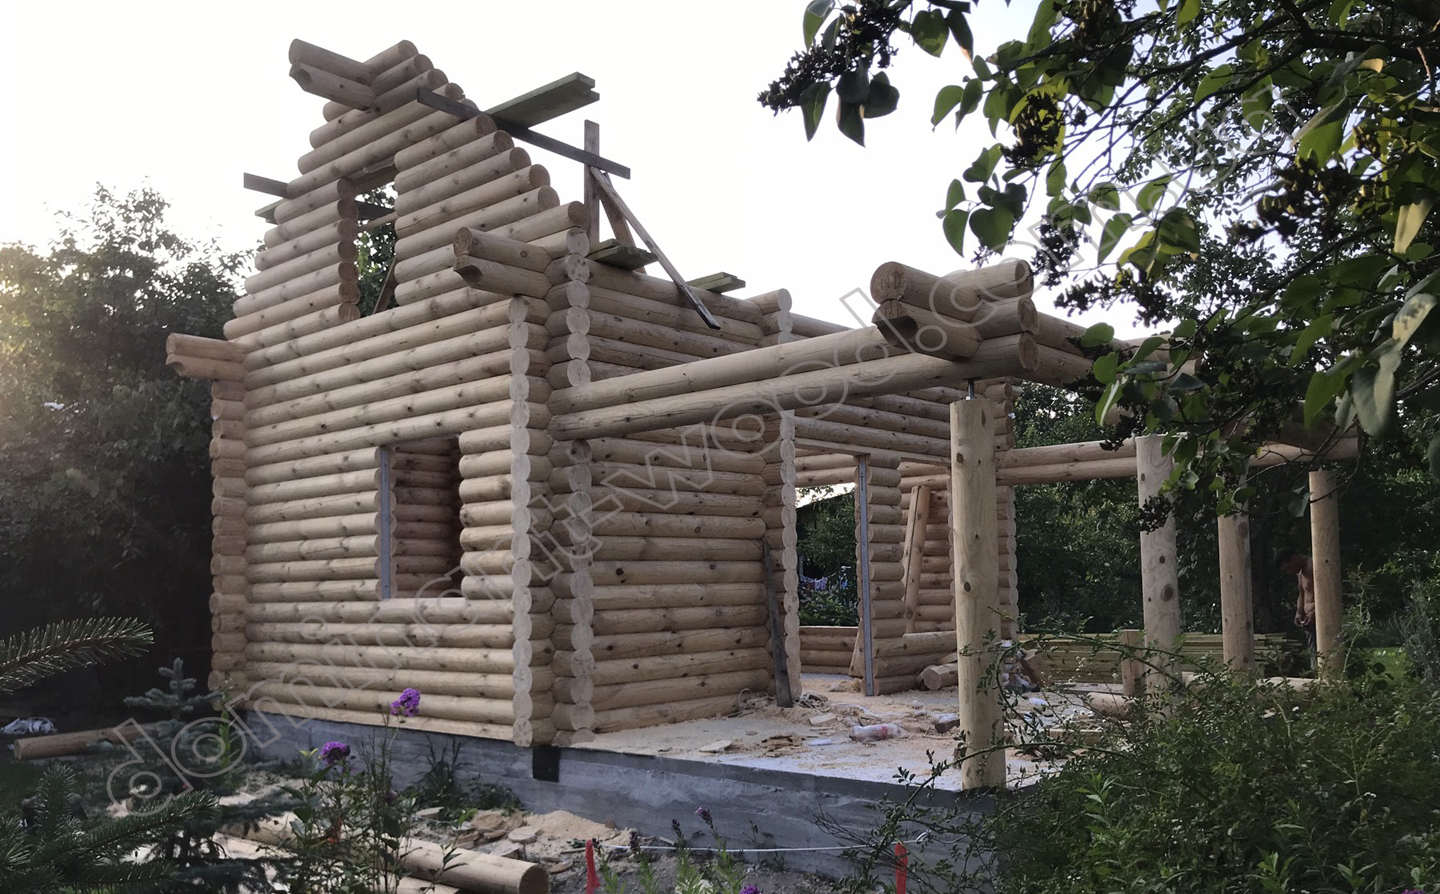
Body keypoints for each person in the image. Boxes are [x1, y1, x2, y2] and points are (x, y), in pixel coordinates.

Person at [1280, 549, 1316, 651]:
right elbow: (1302, 593)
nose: (1289, 572)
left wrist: (1316, 612)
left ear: (1294, 558)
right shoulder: (1300, 573)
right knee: (1313, 653)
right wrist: (1299, 612)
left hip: (1322, 617)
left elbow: (1325, 592)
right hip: (1309, 621)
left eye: (1288, 567)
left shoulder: (1314, 565)